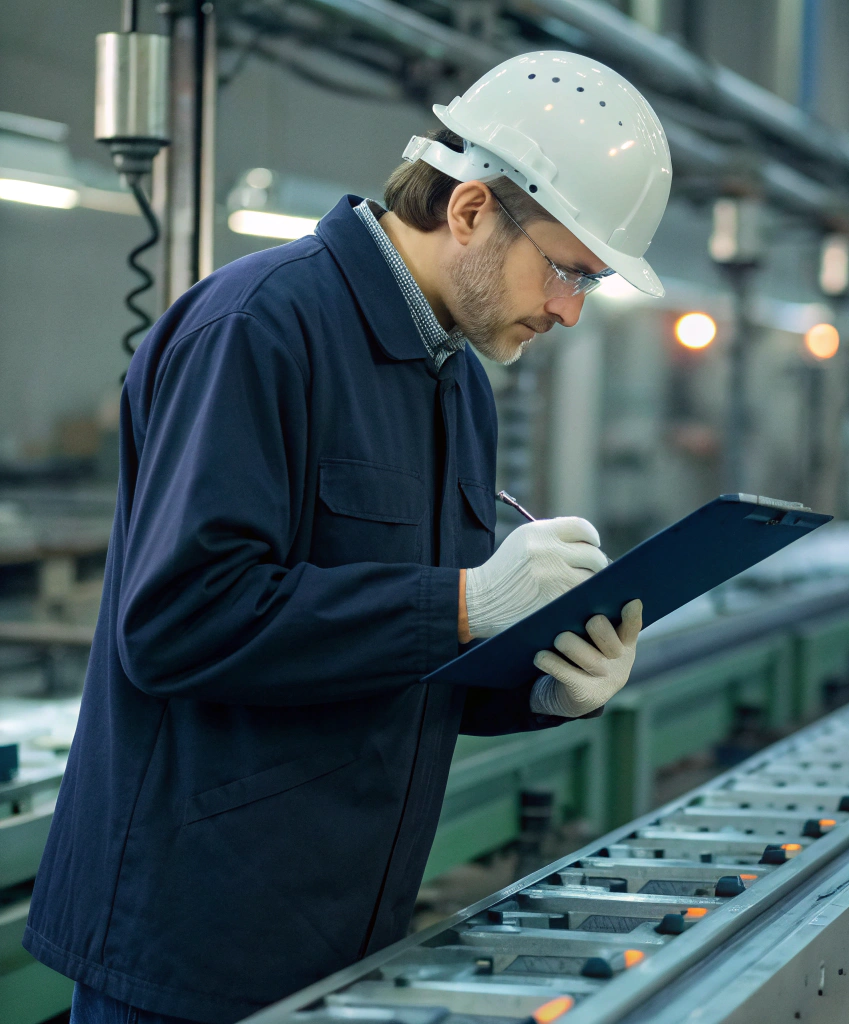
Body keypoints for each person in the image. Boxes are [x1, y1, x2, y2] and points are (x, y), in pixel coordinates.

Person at [25, 51, 673, 1024]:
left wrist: (538, 684)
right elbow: (173, 622)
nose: (569, 310)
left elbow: (397, 658)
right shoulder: (260, 327)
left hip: (344, 935)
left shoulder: (456, 383)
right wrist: (462, 602)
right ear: (468, 211)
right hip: (188, 942)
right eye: (568, 270)